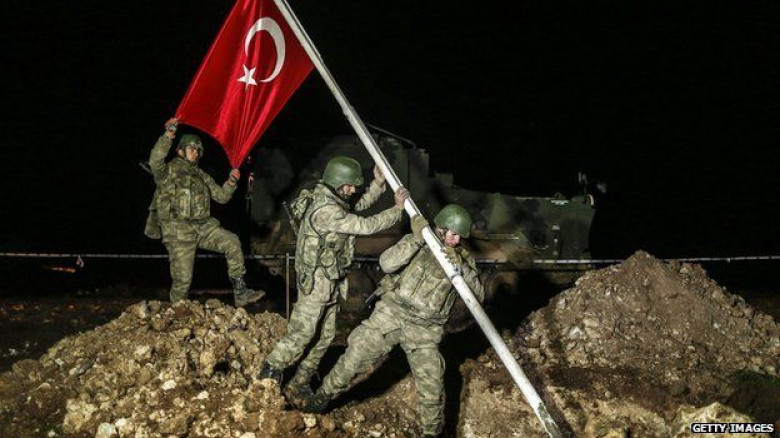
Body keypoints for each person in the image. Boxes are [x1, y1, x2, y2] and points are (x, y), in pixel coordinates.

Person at [302, 205, 484, 438]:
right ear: (440, 227)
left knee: (432, 383)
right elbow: (387, 263)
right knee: (356, 354)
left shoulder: (462, 259)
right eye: (451, 233)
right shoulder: (418, 241)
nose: (454, 239)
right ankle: (322, 397)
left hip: (425, 327)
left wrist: (461, 267)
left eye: (458, 236)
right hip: (392, 313)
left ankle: (432, 433)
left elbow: (478, 296)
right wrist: (417, 240)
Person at [259, 156, 410, 401]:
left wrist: (377, 184)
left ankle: (300, 382)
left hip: (330, 280)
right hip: (316, 283)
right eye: (348, 186)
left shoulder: (333, 200)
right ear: (336, 181)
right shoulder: (325, 210)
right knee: (302, 333)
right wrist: (396, 210)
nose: (352, 190)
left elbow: (357, 205)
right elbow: (364, 225)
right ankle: (268, 375)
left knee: (325, 336)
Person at [145, 117, 264, 307]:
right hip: (179, 231)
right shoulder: (168, 171)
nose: (196, 152)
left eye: (198, 150)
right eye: (192, 148)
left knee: (232, 241)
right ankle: (177, 312)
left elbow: (221, 197)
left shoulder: (201, 175)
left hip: (203, 226)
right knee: (183, 280)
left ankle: (240, 291)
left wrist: (231, 182)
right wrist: (168, 135)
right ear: (180, 150)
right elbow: (155, 161)